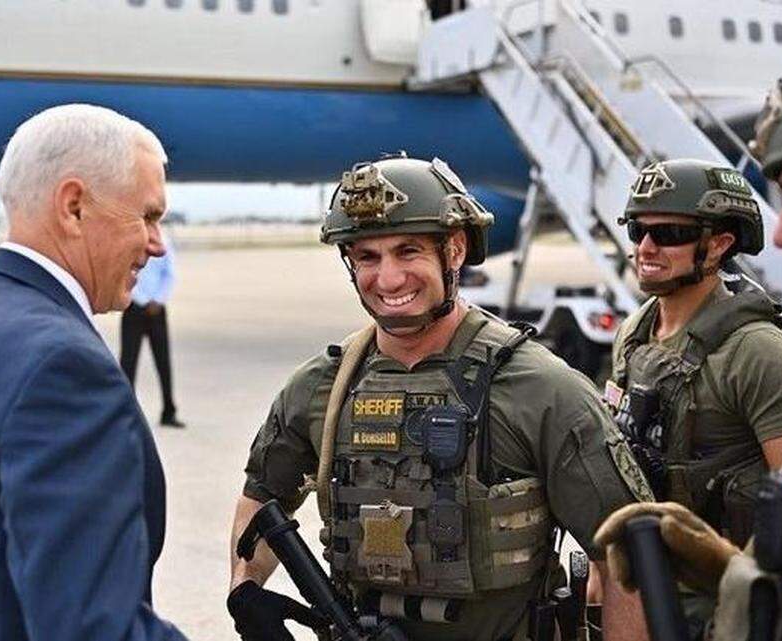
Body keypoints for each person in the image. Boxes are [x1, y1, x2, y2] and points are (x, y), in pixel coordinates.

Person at [228, 155, 653, 641]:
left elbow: (628, 555)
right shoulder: (321, 386)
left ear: (454, 251)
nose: (387, 280)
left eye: (408, 252)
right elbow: (260, 501)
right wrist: (244, 590)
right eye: (367, 257)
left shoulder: (540, 388)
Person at [0, 104, 187, 641]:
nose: (158, 243)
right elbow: (93, 627)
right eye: (148, 215)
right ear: (73, 207)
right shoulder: (61, 367)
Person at [595, 57, 782, 641]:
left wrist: (731, 577)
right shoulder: (635, 336)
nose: (648, 246)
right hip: (648, 591)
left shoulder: (759, 354)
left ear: (719, 244)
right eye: (638, 231)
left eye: (670, 234)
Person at [120, 232, 184, 427]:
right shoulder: (130, 238)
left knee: (163, 361)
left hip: (157, 308)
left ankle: (168, 411)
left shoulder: (163, 240)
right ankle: (124, 413)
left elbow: (170, 273)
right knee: (128, 362)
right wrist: (141, 299)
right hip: (134, 305)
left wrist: (158, 299)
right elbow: (124, 271)